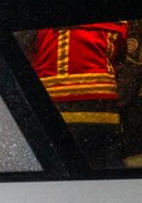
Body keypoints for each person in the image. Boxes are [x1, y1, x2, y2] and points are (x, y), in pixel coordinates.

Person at [29, 22, 128, 168]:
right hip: (103, 108)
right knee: (104, 166)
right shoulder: (118, 21)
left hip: (52, 106)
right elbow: (121, 58)